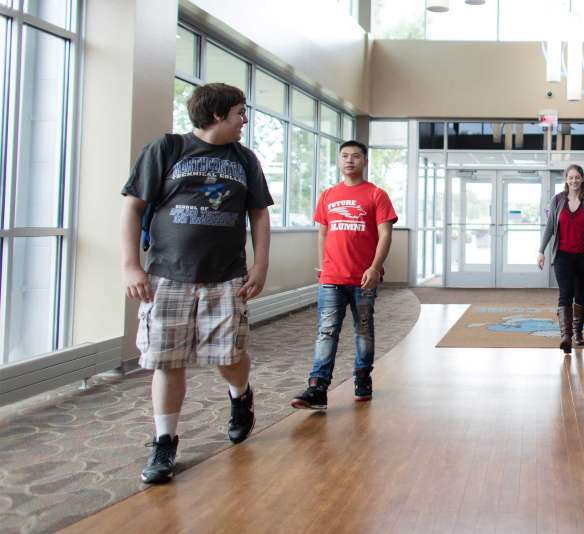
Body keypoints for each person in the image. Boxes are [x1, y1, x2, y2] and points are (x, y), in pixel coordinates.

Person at [121, 83, 273, 484]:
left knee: (229, 355)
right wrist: (130, 266)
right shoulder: (167, 149)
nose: (245, 120)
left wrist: (260, 266)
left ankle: (240, 397)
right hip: (167, 275)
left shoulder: (245, 160)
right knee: (167, 360)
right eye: (240, 112)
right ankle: (164, 441)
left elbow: (258, 214)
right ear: (218, 114)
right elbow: (133, 207)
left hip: (226, 276)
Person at [290, 140, 397, 411]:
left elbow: (385, 234)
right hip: (331, 278)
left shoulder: (376, 195)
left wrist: (374, 268)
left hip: (364, 279)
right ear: (339, 161)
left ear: (365, 162)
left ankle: (362, 378)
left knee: (363, 330)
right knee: (326, 331)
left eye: (356, 156)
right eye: (345, 156)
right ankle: (318, 387)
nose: (350, 160)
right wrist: (323, 265)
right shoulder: (328, 195)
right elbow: (323, 232)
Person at [537, 164, 584, 354]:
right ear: (566, 179)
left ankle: (578, 332)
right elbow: (550, 227)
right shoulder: (557, 200)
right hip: (562, 257)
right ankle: (566, 336)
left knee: (581, 294)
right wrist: (541, 251)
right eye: (570, 177)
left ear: (582, 179)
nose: (574, 181)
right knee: (565, 294)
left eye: (577, 177)